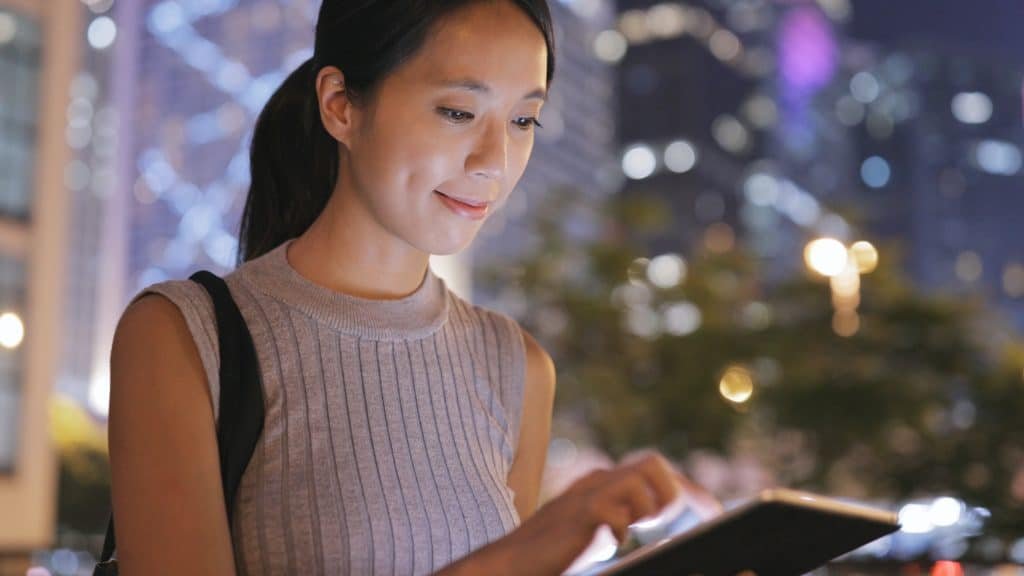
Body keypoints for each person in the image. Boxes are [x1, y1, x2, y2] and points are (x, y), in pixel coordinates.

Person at [107, 1, 721, 574]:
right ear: (341, 105)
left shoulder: (517, 366)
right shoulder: (181, 336)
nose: (494, 160)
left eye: (523, 120)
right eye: (458, 112)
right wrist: (523, 554)